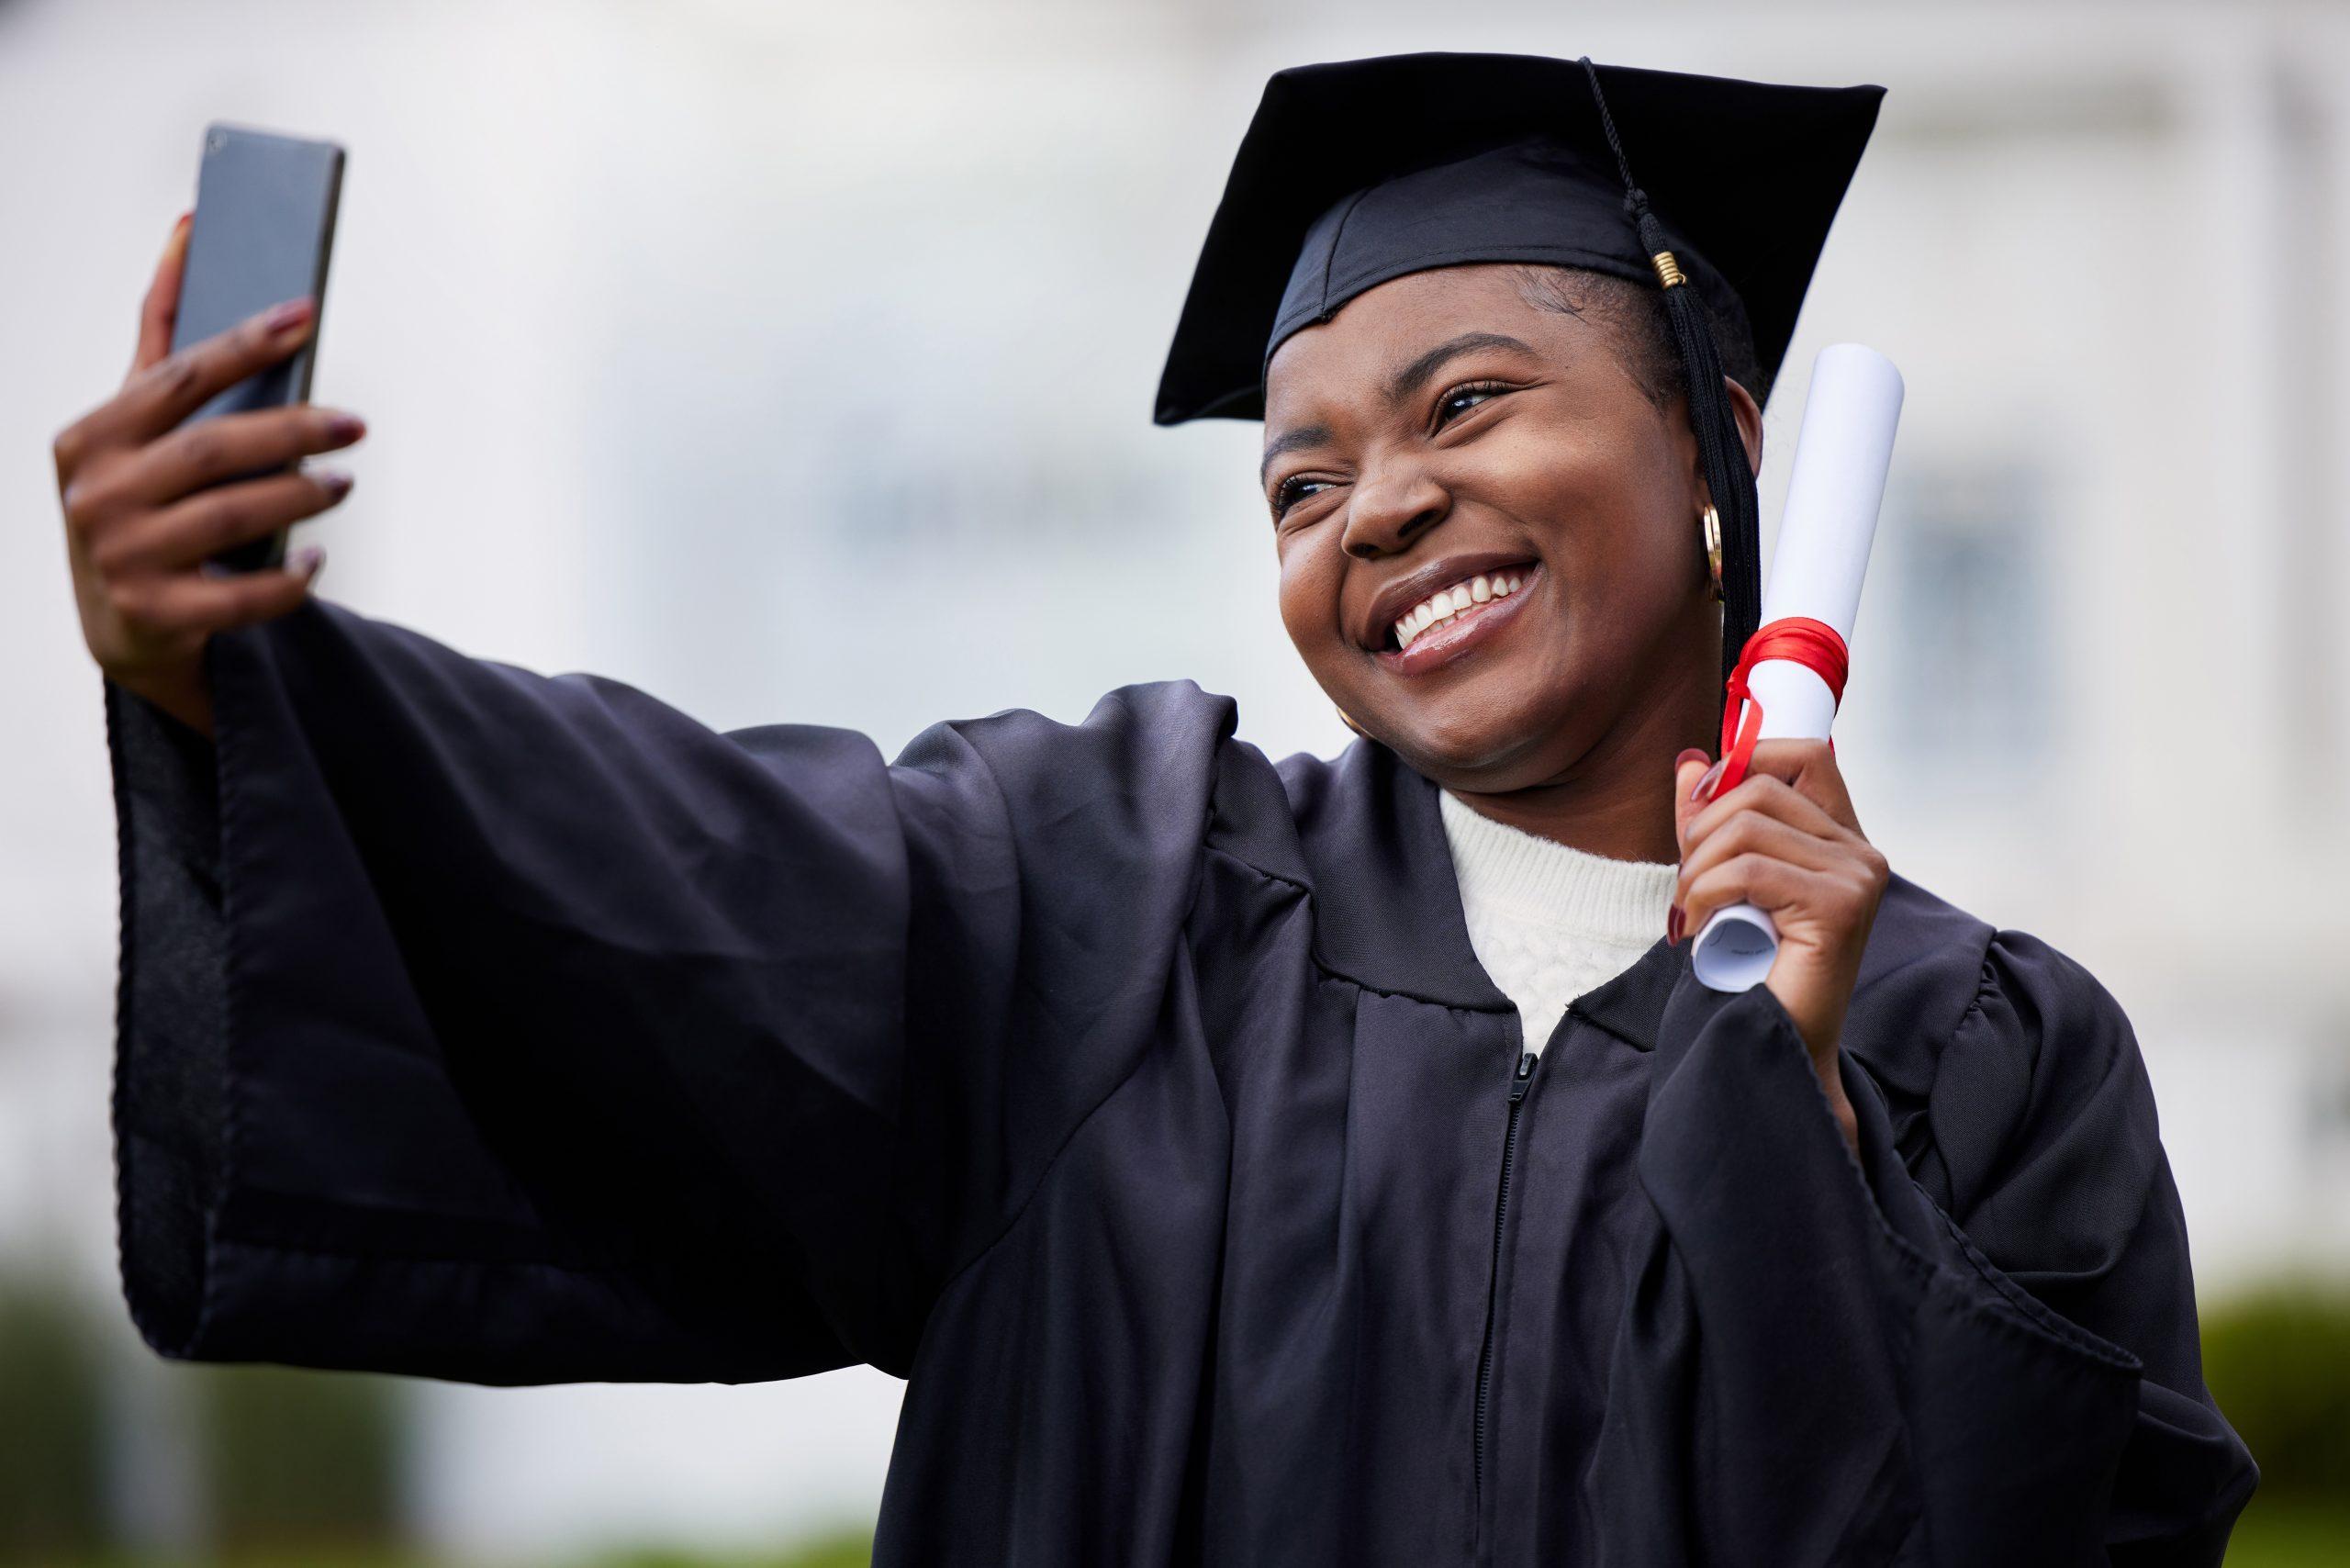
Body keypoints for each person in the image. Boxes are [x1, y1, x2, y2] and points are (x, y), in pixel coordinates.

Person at [57, 50, 2254, 1566]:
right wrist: (248, 685)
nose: (1376, 507)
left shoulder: (1985, 1047)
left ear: (1718, 454)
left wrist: (1793, 1113)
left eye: (1466, 404)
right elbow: (676, 869)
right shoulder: (1106, 907)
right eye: (1298, 482)